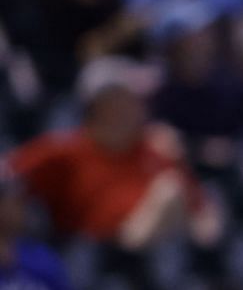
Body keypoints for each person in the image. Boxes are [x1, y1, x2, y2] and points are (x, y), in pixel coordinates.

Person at [6, 57, 221, 249]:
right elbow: (8, 173)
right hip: (95, 260)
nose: (143, 105)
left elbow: (203, 213)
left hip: (160, 258)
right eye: (132, 97)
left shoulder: (155, 148)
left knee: (172, 191)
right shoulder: (64, 150)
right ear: (106, 106)